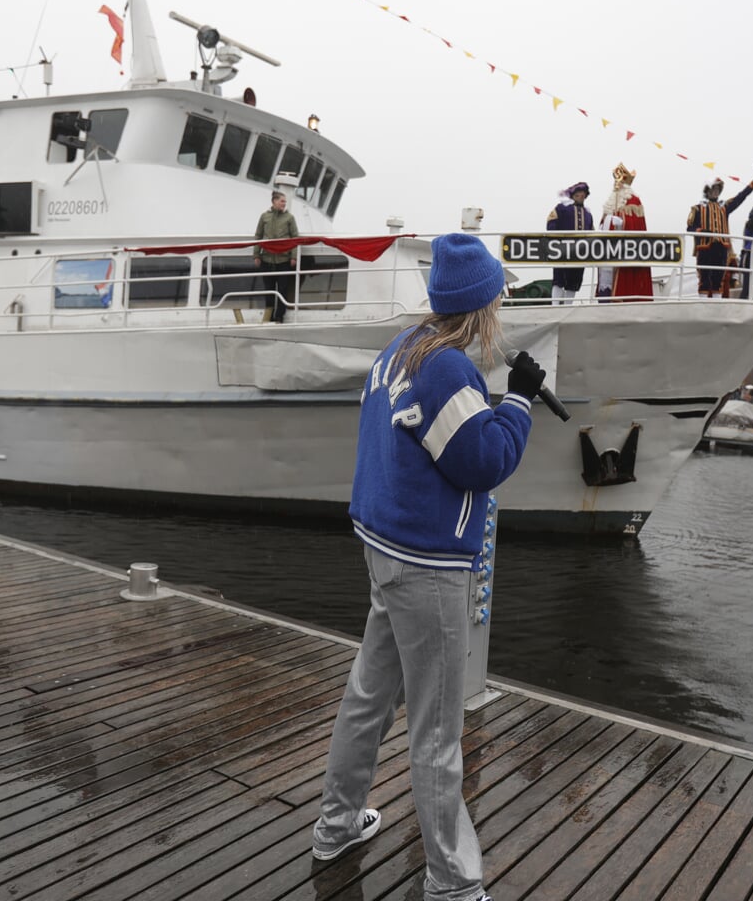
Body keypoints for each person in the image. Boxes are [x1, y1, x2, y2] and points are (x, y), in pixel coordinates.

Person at [313, 233, 544, 901]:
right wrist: (521, 401)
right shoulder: (447, 369)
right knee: (438, 733)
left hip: (385, 549)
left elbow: (436, 443)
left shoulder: (401, 352)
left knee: (369, 699)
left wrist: (497, 407)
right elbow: (482, 462)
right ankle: (453, 882)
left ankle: (336, 826)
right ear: (483, 305)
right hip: (428, 567)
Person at [686, 166, 753, 298]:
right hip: (705, 247)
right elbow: (689, 228)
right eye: (714, 189)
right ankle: (703, 302)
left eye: (718, 189)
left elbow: (740, 197)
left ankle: (716, 302)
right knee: (704, 277)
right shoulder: (697, 208)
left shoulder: (724, 207)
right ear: (707, 190)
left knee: (718, 278)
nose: (716, 192)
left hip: (721, 247)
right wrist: (702, 231)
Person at [599, 163, 652, 300]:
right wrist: (606, 222)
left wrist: (623, 222)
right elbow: (603, 223)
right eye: (616, 181)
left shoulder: (633, 200)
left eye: (621, 181)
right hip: (609, 248)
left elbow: (636, 225)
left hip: (625, 248)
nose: (618, 184)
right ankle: (605, 299)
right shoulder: (612, 200)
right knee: (606, 278)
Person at [253, 189, 299, 322]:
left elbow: (295, 237)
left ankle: (279, 316)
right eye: (282, 201)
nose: (284, 204)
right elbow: (258, 236)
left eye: (285, 201)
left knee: (283, 289)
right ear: (274, 201)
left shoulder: (289, 218)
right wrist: (256, 254)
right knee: (269, 289)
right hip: (266, 260)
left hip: (283, 260)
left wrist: (293, 256)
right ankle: (268, 315)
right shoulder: (264, 216)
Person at [545, 181, 592, 303]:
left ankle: (568, 305)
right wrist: (556, 242)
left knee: (574, 280)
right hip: (563, 250)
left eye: (583, 195)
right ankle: (554, 305)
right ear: (573, 195)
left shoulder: (588, 214)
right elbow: (551, 223)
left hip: (580, 253)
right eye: (579, 194)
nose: (581, 196)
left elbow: (592, 233)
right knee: (559, 278)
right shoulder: (562, 208)